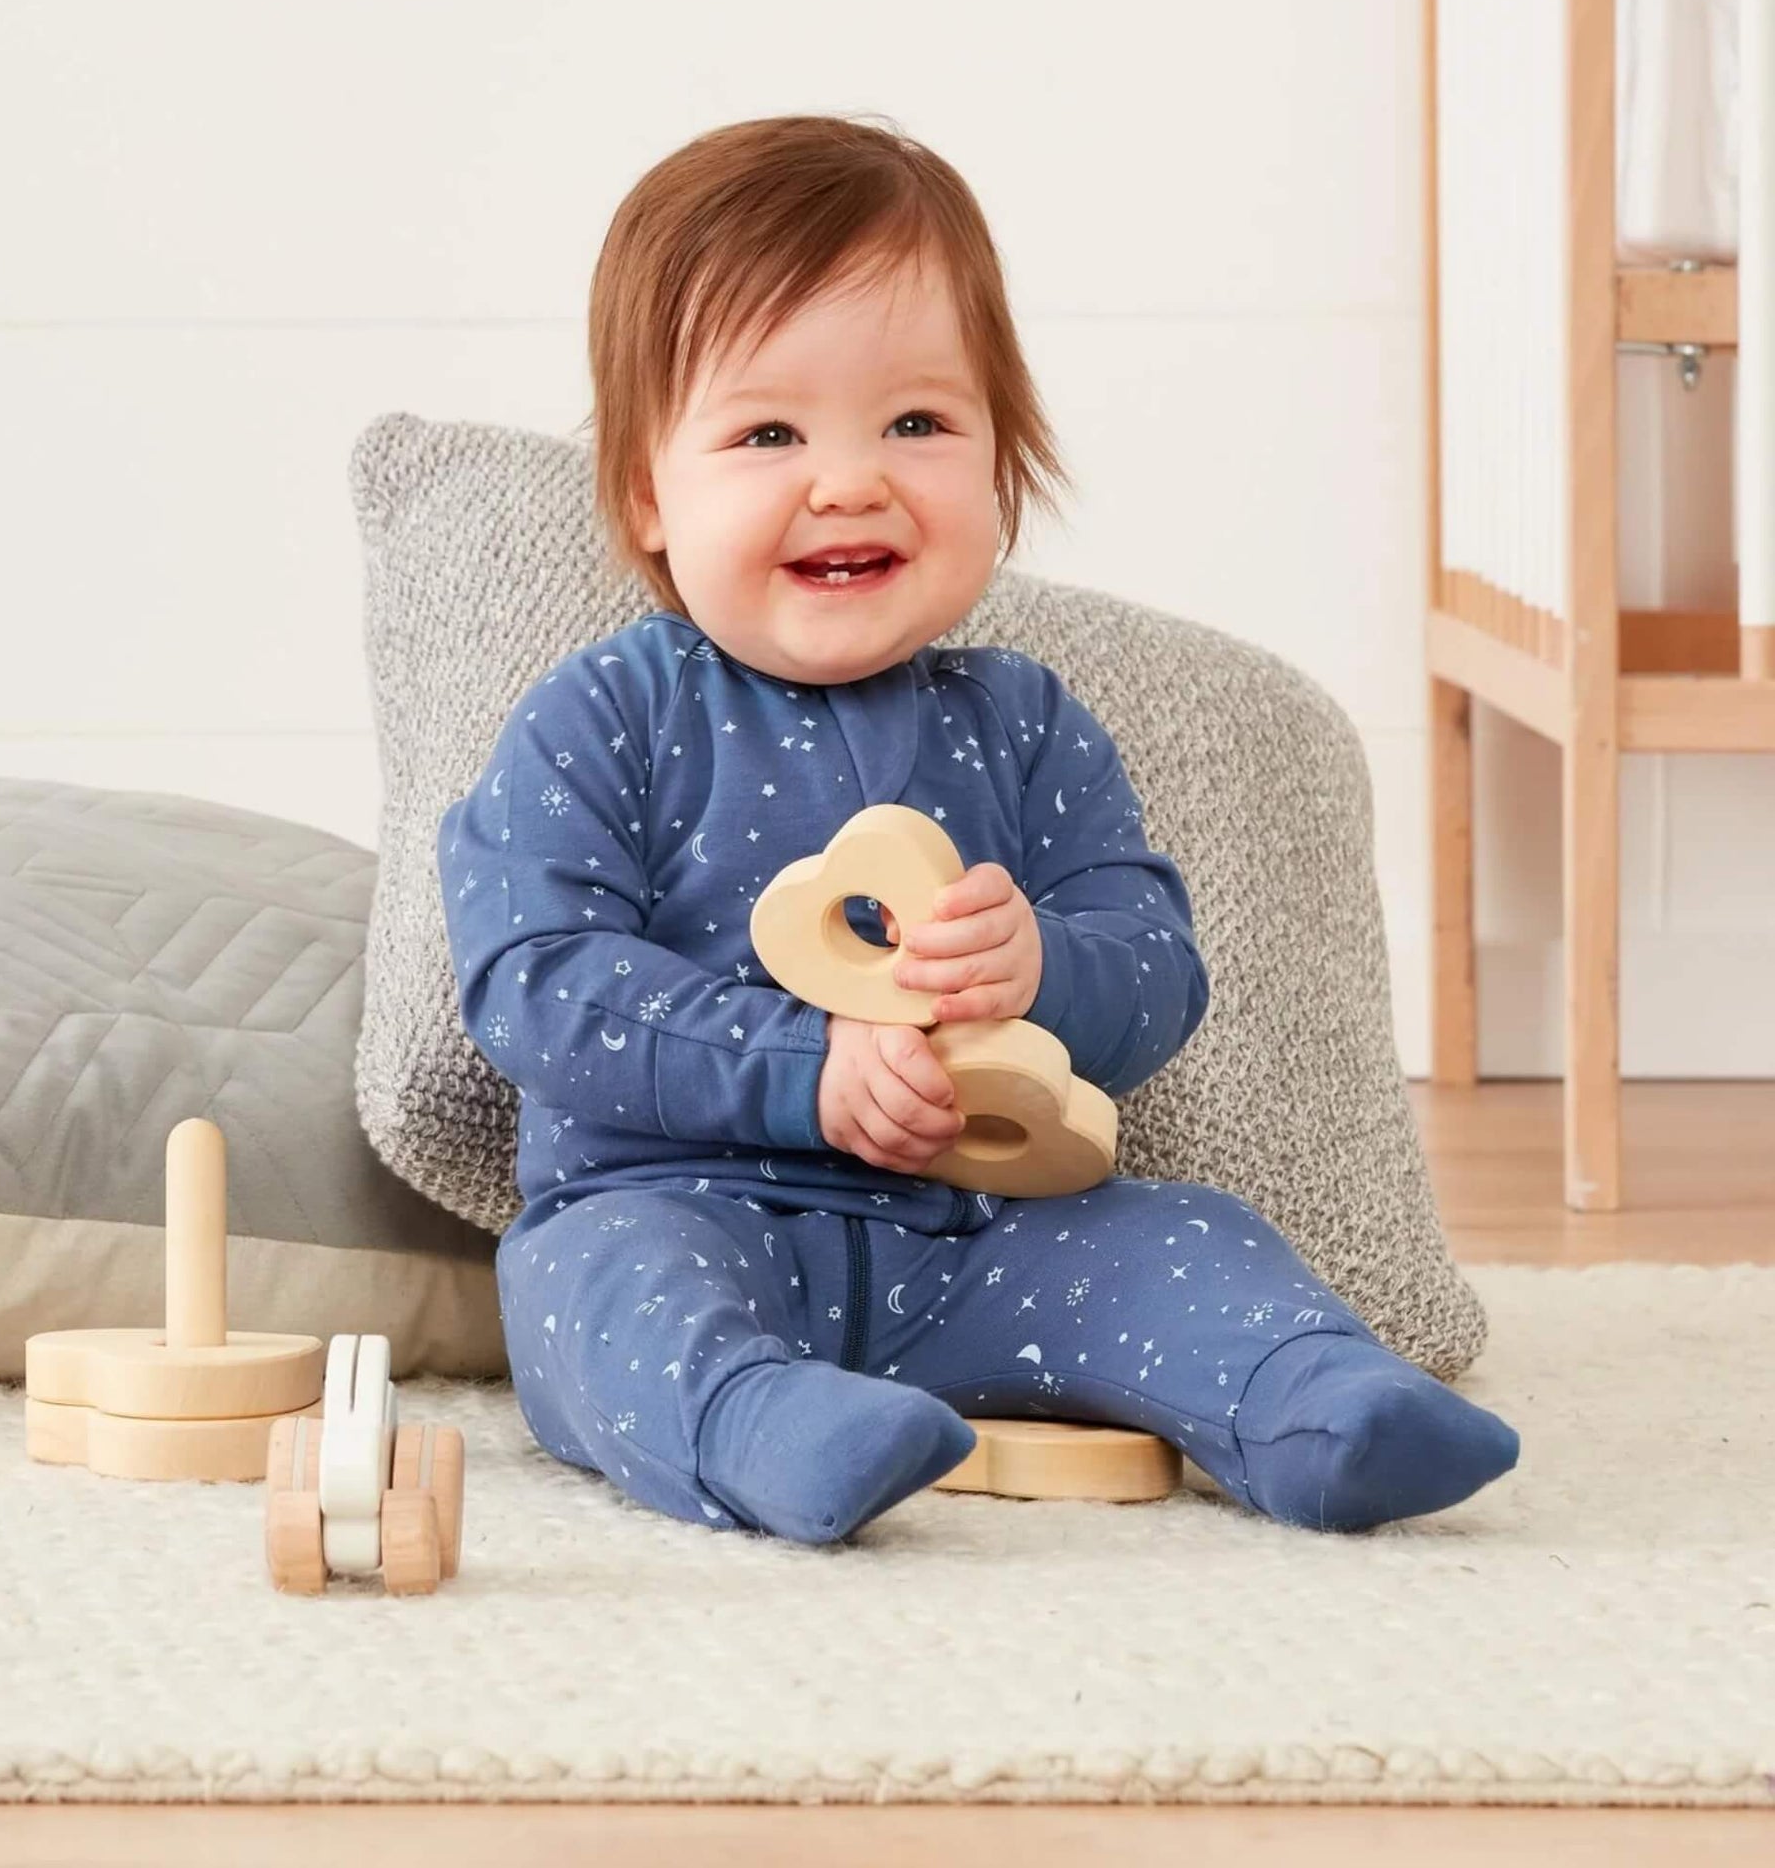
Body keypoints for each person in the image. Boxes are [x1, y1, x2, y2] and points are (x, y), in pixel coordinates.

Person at [438, 113, 1519, 1544]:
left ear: (1001, 458)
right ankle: (765, 1424)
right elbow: (533, 978)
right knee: (594, 1297)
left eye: (916, 423)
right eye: (768, 431)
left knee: (1188, 1237)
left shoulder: (1021, 723)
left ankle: (1307, 1403)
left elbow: (1154, 967)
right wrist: (803, 1066)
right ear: (649, 488)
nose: (848, 478)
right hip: (682, 1202)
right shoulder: (608, 714)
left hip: (987, 1230)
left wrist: (1042, 971)